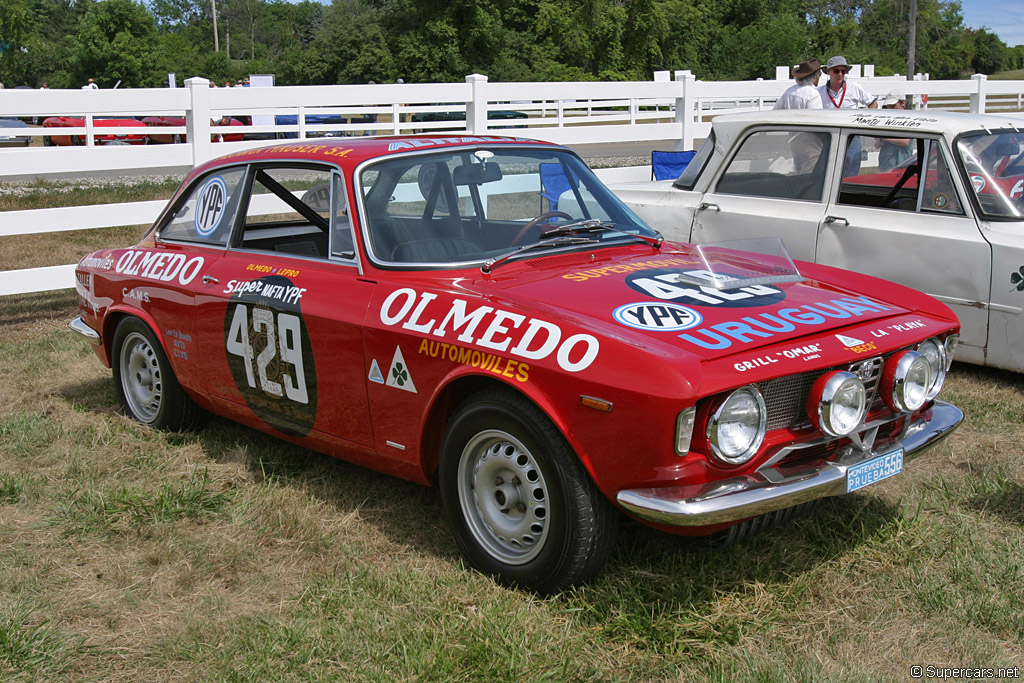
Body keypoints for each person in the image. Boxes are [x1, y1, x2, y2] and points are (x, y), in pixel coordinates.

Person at [820, 56, 876, 176]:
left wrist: (862, 122)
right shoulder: (819, 92)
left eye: (843, 71)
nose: (840, 74)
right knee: (828, 170)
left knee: (851, 171)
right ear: (828, 72)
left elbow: (873, 104)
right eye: (836, 71)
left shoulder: (854, 88)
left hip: (851, 135)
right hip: (828, 136)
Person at [877, 90, 913, 171]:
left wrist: (884, 138)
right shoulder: (886, 120)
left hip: (902, 163)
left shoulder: (909, 120)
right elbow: (877, 145)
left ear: (902, 103)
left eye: (893, 105)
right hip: (885, 162)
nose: (890, 108)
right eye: (889, 106)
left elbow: (905, 142)